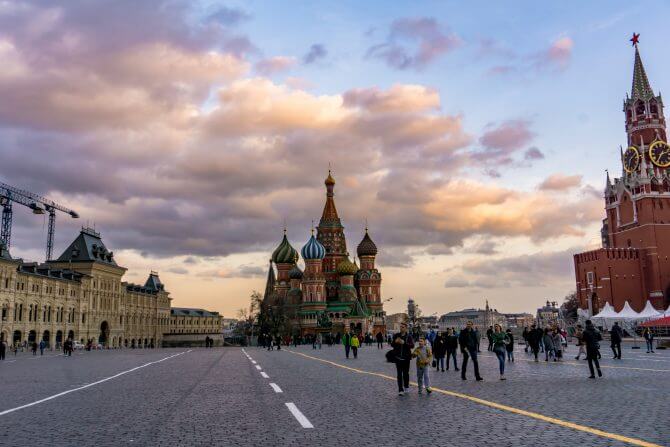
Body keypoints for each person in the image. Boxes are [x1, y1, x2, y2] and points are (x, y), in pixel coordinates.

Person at [392, 323, 414, 395]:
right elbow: (392, 344)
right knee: (399, 374)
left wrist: (404, 343)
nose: (401, 328)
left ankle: (406, 387)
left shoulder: (409, 336)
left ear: (406, 328)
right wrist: (395, 342)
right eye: (400, 327)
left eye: (403, 327)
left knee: (405, 374)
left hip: (406, 358)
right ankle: (400, 389)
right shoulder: (396, 335)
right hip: (398, 358)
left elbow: (412, 346)